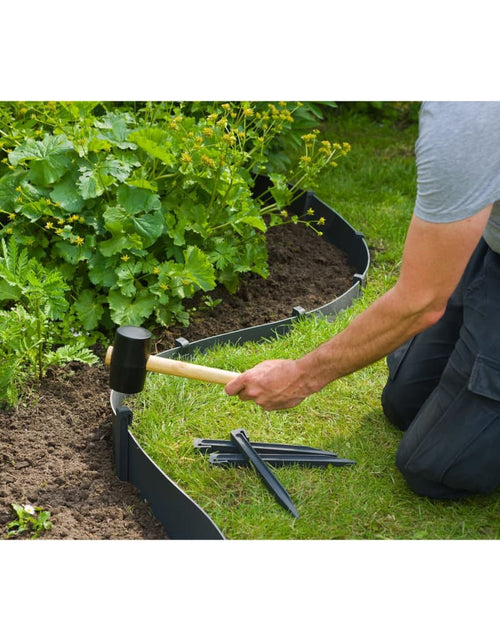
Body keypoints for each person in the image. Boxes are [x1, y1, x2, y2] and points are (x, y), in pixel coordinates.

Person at [225, 101, 500, 500]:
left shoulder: (469, 119)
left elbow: (421, 303)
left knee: (436, 469)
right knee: (402, 403)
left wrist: (302, 375)